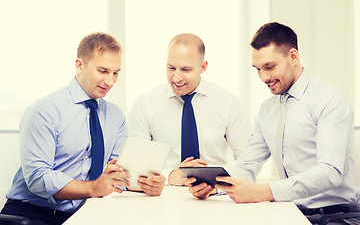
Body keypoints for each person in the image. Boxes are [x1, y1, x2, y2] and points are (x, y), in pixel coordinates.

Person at [186, 22, 360, 224]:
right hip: (290, 213)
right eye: (257, 69)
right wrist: (213, 184)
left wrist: (265, 191)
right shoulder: (268, 110)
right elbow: (248, 164)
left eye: (269, 67)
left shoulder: (329, 99)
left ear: (293, 57)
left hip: (337, 215)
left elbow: (331, 172)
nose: (263, 77)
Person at [0, 32, 165, 225]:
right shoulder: (45, 110)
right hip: (33, 214)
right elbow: (37, 178)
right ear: (80, 65)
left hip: (86, 213)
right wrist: (94, 188)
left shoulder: (115, 116)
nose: (110, 81)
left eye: (116, 72)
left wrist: (145, 184)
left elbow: (117, 173)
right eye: (103, 71)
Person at [127, 33, 252, 186]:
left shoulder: (227, 103)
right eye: (171, 68)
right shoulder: (146, 104)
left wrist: (219, 184)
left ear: (203, 67)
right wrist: (170, 176)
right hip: (162, 199)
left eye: (185, 70)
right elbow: (134, 166)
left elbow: (249, 162)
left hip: (215, 197)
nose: (176, 78)